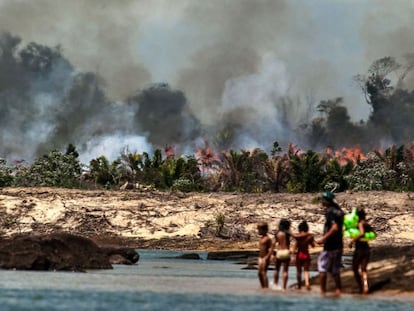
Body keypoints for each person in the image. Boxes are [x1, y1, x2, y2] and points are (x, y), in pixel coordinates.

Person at [316, 191, 344, 296]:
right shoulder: (339, 211)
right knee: (335, 269)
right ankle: (338, 291)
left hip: (330, 246)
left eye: (323, 200)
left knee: (321, 266)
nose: (321, 202)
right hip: (339, 245)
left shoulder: (330, 211)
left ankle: (322, 292)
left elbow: (335, 227)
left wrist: (323, 238)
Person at [348, 207, 372, 294]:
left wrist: (352, 241)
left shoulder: (360, 223)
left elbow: (361, 233)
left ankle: (361, 287)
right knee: (364, 269)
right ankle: (366, 286)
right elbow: (372, 233)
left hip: (360, 249)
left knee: (355, 268)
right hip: (367, 248)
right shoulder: (366, 223)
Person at [293, 220, 315, 290]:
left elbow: (295, 247)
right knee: (306, 271)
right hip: (306, 254)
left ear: (299, 229)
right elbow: (313, 245)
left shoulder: (298, 237)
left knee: (299, 271)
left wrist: (293, 254)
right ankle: (307, 283)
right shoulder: (310, 236)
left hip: (299, 254)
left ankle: (299, 285)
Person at [273, 218, 292, 290]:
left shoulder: (278, 233)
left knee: (276, 270)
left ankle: (275, 284)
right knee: (285, 271)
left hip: (279, 252)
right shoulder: (287, 233)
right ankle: (284, 287)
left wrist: (272, 254)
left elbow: (273, 244)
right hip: (286, 251)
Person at [257, 222, 273, 288]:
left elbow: (271, 249)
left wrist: (267, 256)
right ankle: (262, 286)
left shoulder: (268, 238)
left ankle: (266, 287)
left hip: (265, 257)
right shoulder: (261, 238)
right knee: (259, 273)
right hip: (260, 257)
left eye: (259, 230)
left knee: (263, 273)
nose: (258, 231)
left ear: (264, 230)